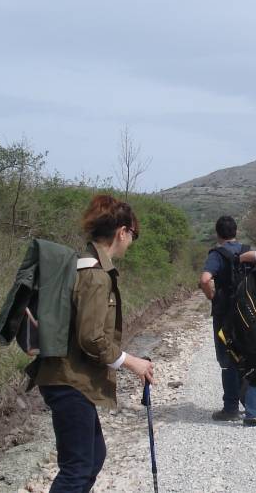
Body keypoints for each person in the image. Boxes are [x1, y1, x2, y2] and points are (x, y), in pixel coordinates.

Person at [33, 194, 155, 493]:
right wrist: (132, 362)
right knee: (77, 468)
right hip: (69, 381)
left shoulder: (80, 264)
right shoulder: (95, 276)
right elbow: (91, 337)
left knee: (92, 457)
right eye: (133, 235)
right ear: (122, 232)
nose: (131, 242)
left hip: (68, 378)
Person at [199, 215, 256, 426]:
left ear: (218, 233)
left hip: (225, 315)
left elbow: (205, 279)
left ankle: (230, 408)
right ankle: (254, 409)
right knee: (252, 357)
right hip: (250, 313)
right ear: (236, 231)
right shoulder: (249, 250)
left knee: (228, 360)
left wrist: (212, 296)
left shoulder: (216, 254)